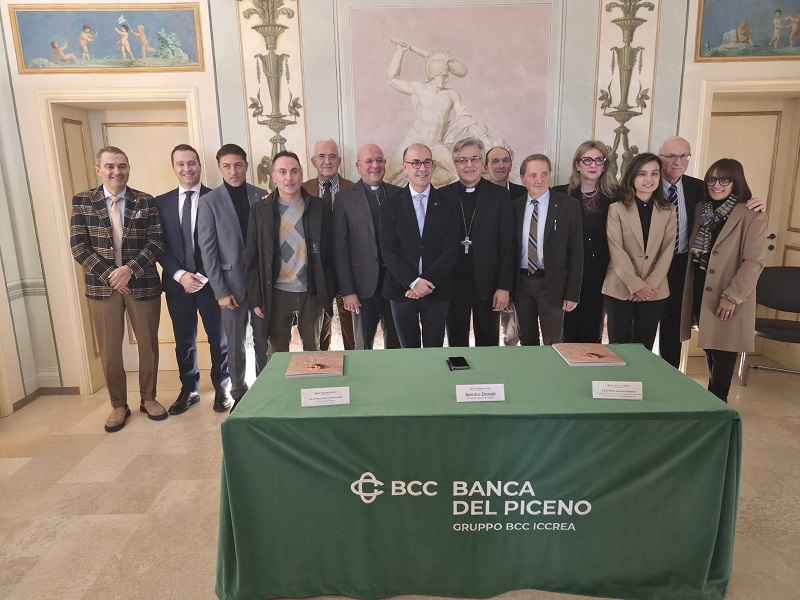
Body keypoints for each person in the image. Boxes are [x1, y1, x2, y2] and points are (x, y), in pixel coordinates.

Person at [70, 146, 166, 432]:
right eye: (110, 166)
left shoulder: (145, 201)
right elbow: (78, 246)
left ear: (128, 168)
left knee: (148, 345)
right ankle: (118, 404)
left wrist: (129, 270)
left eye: (122, 166)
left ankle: (149, 398)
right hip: (103, 288)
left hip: (142, 282)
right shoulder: (83, 201)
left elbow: (157, 242)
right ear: (98, 169)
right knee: (110, 350)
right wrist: (112, 275)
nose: (117, 171)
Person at [657, 136, 763, 369]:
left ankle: (670, 378)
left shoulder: (697, 188)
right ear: (660, 157)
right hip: (652, 268)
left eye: (683, 156)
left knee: (675, 329)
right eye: (671, 156)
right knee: (644, 330)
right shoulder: (645, 183)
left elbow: (735, 209)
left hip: (683, 266)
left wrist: (755, 203)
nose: (677, 161)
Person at [681, 159, 767, 402]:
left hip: (728, 293)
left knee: (724, 351)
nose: (716, 185)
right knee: (711, 347)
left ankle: (719, 404)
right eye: (712, 179)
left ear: (736, 182)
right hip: (701, 289)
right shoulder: (702, 209)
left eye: (724, 179)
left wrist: (732, 297)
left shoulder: (752, 214)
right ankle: (714, 402)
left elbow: (754, 262)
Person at [155, 144, 231, 415]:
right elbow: (158, 244)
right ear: (174, 167)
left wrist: (202, 276)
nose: (187, 168)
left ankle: (222, 387)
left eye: (191, 163)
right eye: (181, 164)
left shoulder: (217, 198)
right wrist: (180, 275)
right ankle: (189, 389)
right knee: (184, 341)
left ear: (199, 165)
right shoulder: (160, 203)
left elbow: (224, 243)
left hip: (212, 285)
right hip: (177, 286)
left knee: (219, 340)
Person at [197, 144, 268, 409]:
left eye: (238, 165)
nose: (233, 171)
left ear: (246, 165)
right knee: (235, 344)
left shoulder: (261, 196)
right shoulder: (209, 201)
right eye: (227, 166)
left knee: (263, 341)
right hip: (230, 287)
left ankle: (265, 389)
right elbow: (208, 250)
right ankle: (238, 392)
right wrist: (220, 291)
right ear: (220, 168)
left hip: (260, 285)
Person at [247, 151, 336, 358]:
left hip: (311, 293)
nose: (289, 177)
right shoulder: (260, 210)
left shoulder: (319, 207)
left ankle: (312, 381)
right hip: (276, 293)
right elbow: (252, 256)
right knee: (277, 353)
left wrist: (328, 289)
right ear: (274, 176)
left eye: (294, 171)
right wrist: (256, 297)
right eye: (282, 172)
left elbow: (330, 252)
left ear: (301, 174)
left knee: (313, 352)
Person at [380, 144, 460, 347]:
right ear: (405, 167)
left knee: (434, 350)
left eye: (427, 162)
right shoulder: (390, 204)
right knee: (408, 351)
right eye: (415, 163)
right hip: (401, 289)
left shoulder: (448, 203)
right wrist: (413, 282)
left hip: (437, 288)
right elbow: (389, 251)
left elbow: (451, 249)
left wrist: (426, 282)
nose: (422, 168)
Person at [441, 138, 514, 346]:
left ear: (483, 163)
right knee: (456, 343)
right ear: (455, 165)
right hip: (453, 284)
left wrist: (504, 286)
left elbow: (508, 245)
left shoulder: (499, 195)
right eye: (462, 160)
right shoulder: (443, 196)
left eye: (474, 159)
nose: (469, 165)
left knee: (488, 343)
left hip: (488, 285)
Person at [602, 153, 676, 351]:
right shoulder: (616, 209)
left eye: (654, 174)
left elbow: (667, 250)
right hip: (620, 286)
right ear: (632, 177)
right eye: (642, 174)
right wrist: (636, 285)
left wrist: (648, 286)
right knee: (619, 348)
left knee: (645, 347)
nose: (648, 179)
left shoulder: (669, 210)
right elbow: (616, 249)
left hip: (654, 289)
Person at [332, 143, 401, 349]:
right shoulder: (344, 199)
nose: (375, 165)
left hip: (395, 283)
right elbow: (340, 249)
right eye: (369, 161)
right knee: (363, 346)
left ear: (385, 163)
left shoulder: (399, 194)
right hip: (362, 286)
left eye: (379, 160)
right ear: (358, 166)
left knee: (397, 344)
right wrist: (347, 291)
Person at [512, 154, 583, 346]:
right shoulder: (514, 207)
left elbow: (576, 252)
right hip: (522, 283)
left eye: (544, 174)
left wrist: (572, 293)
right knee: (527, 340)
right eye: (533, 175)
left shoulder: (568, 205)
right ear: (523, 179)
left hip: (553, 284)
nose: (539, 180)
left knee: (554, 342)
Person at [553, 141, 616, 344]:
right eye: (587, 160)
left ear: (605, 165)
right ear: (577, 164)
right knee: (566, 329)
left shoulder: (615, 195)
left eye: (599, 160)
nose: (593, 164)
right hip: (569, 271)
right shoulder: (560, 194)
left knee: (592, 327)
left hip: (602, 272)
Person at [385, 39, 469, 186]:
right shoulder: (418, 89)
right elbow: (391, 79)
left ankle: (422, 187)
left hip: (435, 145)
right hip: (413, 141)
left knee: (457, 174)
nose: (447, 79)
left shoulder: (451, 94)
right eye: (444, 76)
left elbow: (464, 117)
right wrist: (399, 51)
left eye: (447, 75)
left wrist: (480, 131)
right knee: (390, 175)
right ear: (434, 75)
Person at [302, 138, 355, 351]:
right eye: (322, 156)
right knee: (319, 330)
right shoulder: (302, 190)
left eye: (332, 156)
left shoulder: (353, 189)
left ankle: (356, 365)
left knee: (352, 329)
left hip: (348, 270)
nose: (327, 161)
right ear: (313, 161)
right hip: (316, 271)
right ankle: (322, 366)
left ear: (339, 160)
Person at [484, 146, 526, 346]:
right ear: (485, 167)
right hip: (489, 274)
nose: (500, 165)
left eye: (505, 160)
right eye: (495, 161)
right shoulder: (479, 194)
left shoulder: (524, 194)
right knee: (490, 332)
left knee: (516, 332)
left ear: (511, 165)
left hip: (521, 273)